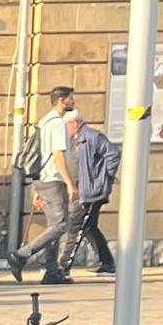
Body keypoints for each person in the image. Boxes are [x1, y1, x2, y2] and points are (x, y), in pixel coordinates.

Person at [8, 87, 78, 282]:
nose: (74, 101)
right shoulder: (57, 124)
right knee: (61, 225)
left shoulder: (43, 123)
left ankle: (52, 271)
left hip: (42, 180)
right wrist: (69, 183)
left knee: (53, 225)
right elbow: (57, 155)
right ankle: (21, 255)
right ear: (62, 101)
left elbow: (38, 154)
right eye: (71, 98)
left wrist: (35, 189)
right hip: (53, 180)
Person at [43, 111, 120, 283]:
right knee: (90, 227)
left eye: (66, 126)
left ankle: (64, 266)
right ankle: (107, 262)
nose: (64, 130)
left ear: (74, 124)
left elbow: (113, 153)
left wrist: (104, 177)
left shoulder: (92, 136)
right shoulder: (75, 140)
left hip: (92, 191)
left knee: (77, 226)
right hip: (83, 190)